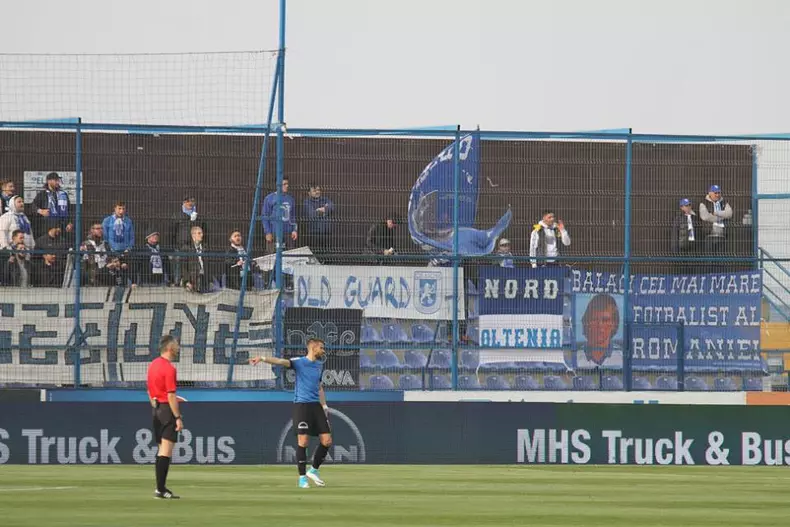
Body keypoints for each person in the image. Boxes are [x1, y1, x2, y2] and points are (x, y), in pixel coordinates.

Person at [250, 338, 332, 489]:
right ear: (313, 348)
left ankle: (313, 470)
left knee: (327, 441)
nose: (323, 350)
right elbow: (281, 362)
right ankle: (302, 478)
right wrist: (262, 358)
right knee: (303, 442)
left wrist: (325, 406)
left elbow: (320, 387)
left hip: (316, 407)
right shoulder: (299, 362)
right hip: (302, 406)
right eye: (321, 347)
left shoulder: (319, 365)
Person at [146, 335, 183, 500]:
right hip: (167, 411)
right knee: (166, 451)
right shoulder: (169, 368)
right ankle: (160, 489)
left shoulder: (153, 365)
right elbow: (170, 395)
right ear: (169, 348)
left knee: (162, 449)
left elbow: (150, 390)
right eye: (176, 345)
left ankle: (160, 488)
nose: (178, 347)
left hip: (157, 409)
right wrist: (178, 417)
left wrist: (156, 405)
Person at [576, 293, 623, 369]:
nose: (600, 325)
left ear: (614, 324)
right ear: (587, 322)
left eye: (605, 320)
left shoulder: (622, 358)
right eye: (594, 319)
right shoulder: (576, 357)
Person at [672, 198, 702, 275]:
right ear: (681, 207)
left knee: (693, 267)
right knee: (682, 268)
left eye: (689, 205)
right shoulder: (678, 219)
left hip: (693, 246)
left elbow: (699, 232)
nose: (688, 207)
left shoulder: (695, 218)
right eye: (686, 206)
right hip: (682, 246)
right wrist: (675, 249)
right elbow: (675, 234)